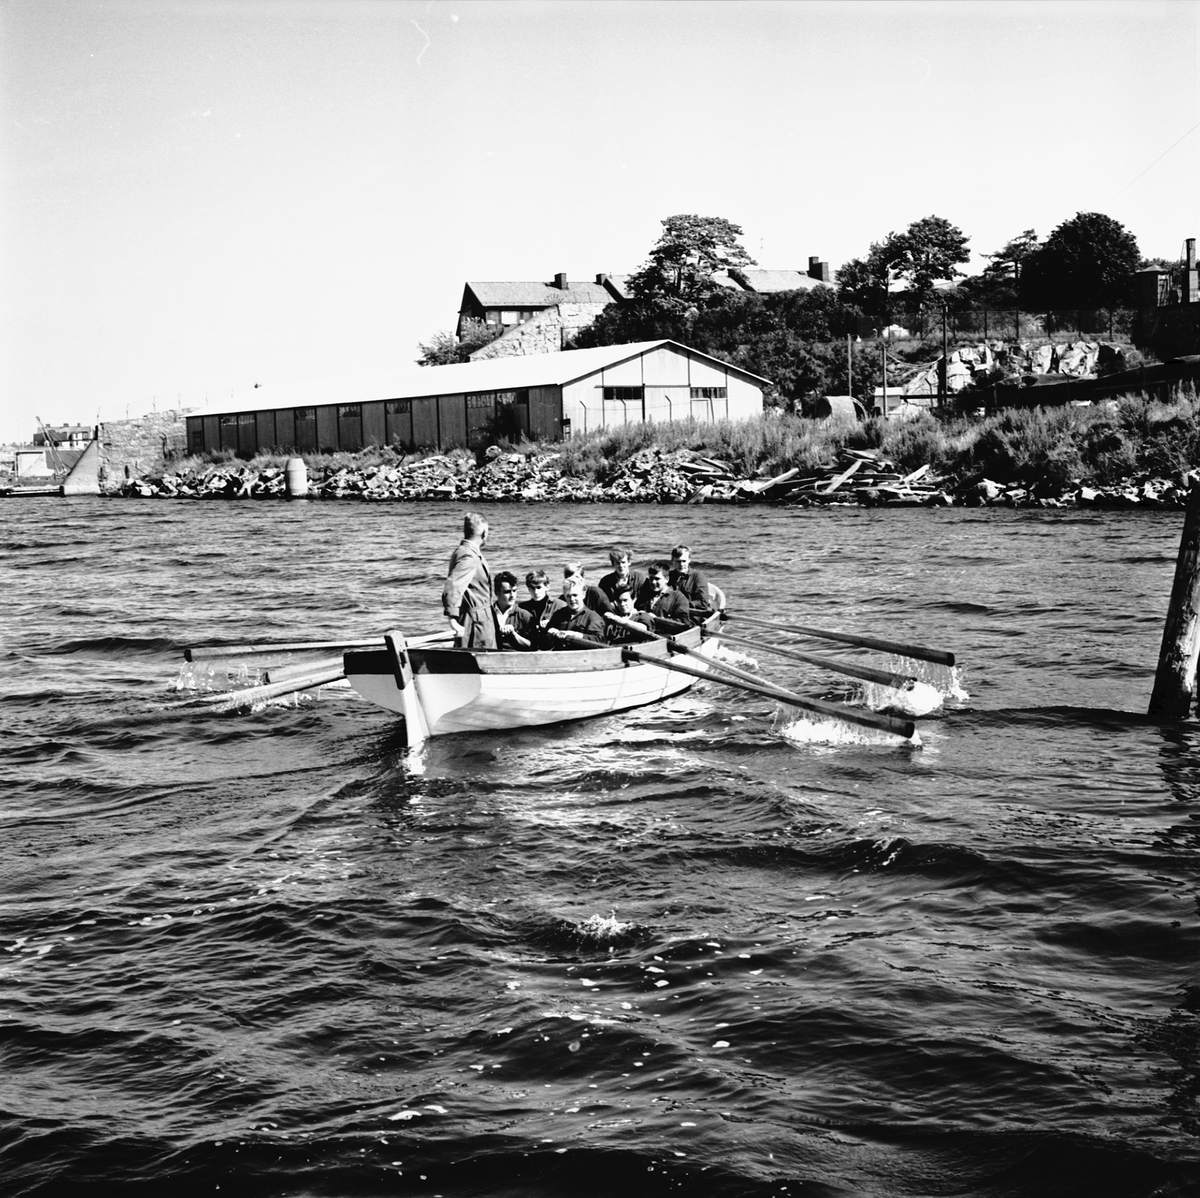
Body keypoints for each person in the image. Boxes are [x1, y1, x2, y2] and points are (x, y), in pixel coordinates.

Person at [442, 512, 496, 649]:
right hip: (476, 624)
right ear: (484, 533)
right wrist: (453, 621)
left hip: (479, 619)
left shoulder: (463, 551)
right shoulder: (469, 556)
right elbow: (453, 586)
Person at [546, 579, 607, 649]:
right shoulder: (558, 615)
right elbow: (543, 645)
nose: (572, 599)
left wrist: (577, 635)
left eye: (575, 595)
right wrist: (550, 636)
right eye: (568, 596)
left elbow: (600, 641)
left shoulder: (592, 617)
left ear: (583, 594)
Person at [668, 544, 713, 620]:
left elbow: (703, 603)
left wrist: (680, 605)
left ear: (689, 560)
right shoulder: (668, 576)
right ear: (672, 561)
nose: (681, 564)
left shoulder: (698, 576)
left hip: (692, 616)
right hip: (672, 614)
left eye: (684, 561)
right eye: (678, 561)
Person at [519, 569, 563, 647]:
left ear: (547, 587)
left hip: (553, 647)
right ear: (528, 589)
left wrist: (551, 625)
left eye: (539, 587)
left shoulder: (560, 606)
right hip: (529, 647)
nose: (536, 592)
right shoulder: (522, 608)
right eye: (532, 588)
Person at [493, 570, 533, 650]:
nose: (512, 595)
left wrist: (514, 634)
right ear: (497, 593)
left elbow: (533, 647)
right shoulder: (486, 614)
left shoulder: (525, 616)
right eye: (507, 592)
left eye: (514, 591)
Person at [643, 563, 691, 628]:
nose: (653, 582)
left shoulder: (678, 598)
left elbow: (683, 623)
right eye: (651, 578)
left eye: (657, 579)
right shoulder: (646, 594)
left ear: (667, 579)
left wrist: (657, 619)